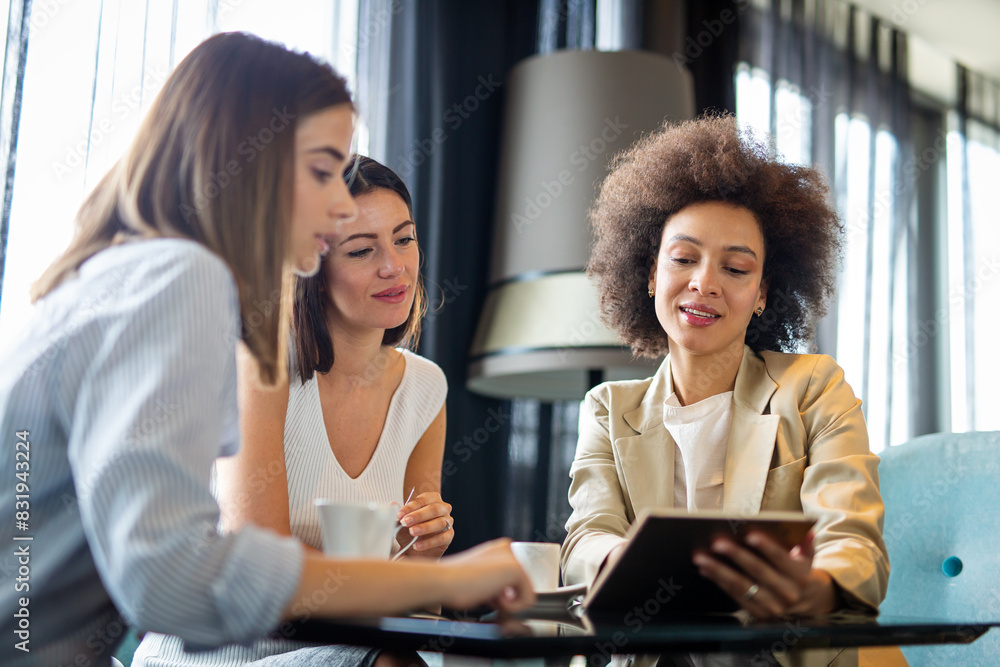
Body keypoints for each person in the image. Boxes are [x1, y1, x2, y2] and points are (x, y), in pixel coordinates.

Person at [0, 32, 531, 667]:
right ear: (243, 162)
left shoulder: (117, 275)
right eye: (320, 172)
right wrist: (446, 580)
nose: (339, 207)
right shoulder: (181, 279)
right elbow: (170, 584)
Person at [560, 116, 891, 666]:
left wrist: (822, 587)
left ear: (763, 294)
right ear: (649, 274)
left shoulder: (813, 388)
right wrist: (626, 561)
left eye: (736, 268)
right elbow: (585, 540)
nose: (704, 283)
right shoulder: (608, 409)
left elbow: (851, 533)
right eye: (684, 258)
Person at [135, 156, 454, 666]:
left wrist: (422, 554)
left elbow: (409, 603)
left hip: (350, 646)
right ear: (311, 265)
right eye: (361, 250)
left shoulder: (425, 388)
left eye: (404, 238)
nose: (394, 266)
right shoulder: (260, 366)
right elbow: (262, 575)